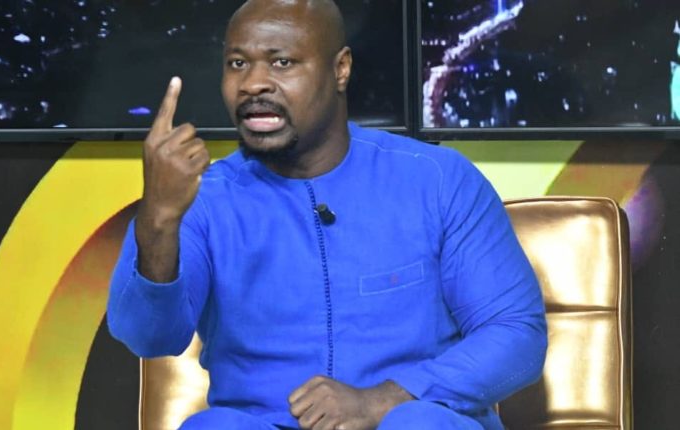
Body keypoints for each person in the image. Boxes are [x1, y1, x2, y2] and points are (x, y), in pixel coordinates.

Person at [107, 1, 547, 429]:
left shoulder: (437, 180)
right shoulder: (203, 198)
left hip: (409, 414)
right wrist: (158, 219)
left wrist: (384, 400)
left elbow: (516, 335)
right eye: (238, 64)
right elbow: (149, 336)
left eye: (281, 63)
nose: (253, 84)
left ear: (341, 69)